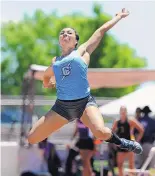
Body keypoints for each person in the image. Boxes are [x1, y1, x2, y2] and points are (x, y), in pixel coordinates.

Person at [28, 8, 143, 157]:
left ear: (76, 41)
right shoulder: (55, 61)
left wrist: (118, 17)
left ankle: (123, 143)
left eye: (69, 33)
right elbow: (47, 74)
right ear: (59, 41)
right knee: (32, 138)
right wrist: (46, 82)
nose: (65, 34)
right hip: (62, 107)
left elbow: (100, 31)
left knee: (101, 132)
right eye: (62, 33)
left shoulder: (82, 52)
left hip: (84, 104)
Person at [112, 106, 144, 176]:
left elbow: (141, 129)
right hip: (120, 145)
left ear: (126, 112)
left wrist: (137, 140)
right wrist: (114, 142)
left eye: (124, 111)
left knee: (131, 165)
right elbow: (112, 132)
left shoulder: (130, 121)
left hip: (130, 145)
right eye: (121, 111)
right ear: (119, 112)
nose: (123, 112)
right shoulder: (117, 122)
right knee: (119, 165)